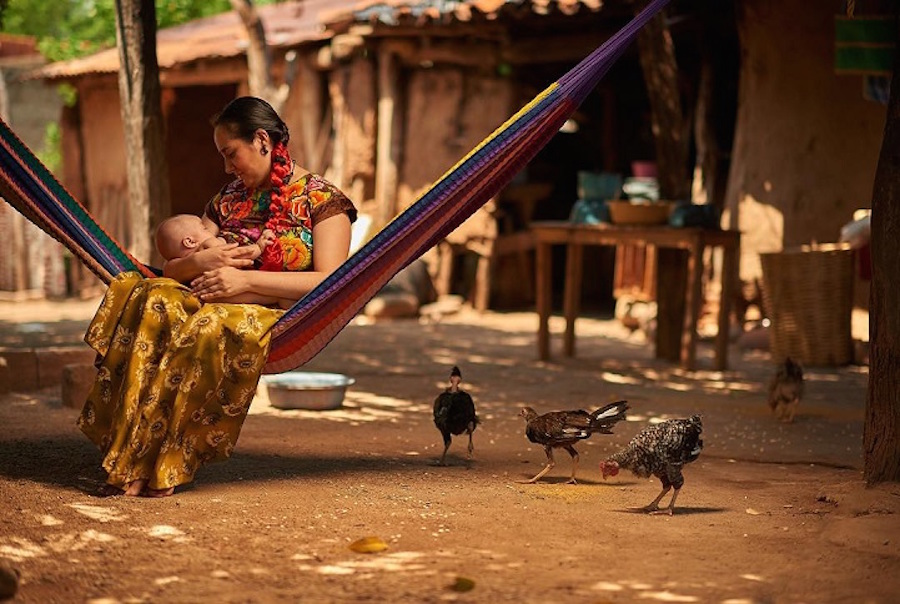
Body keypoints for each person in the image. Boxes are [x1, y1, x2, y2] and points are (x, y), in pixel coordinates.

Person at [77, 96, 357, 498]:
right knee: (149, 294)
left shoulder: (323, 202)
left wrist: (247, 285)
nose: (227, 168)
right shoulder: (228, 199)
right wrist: (204, 259)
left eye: (231, 154)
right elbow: (175, 267)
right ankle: (131, 453)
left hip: (268, 313)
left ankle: (168, 461)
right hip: (206, 295)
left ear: (262, 140)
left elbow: (333, 282)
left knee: (207, 327)